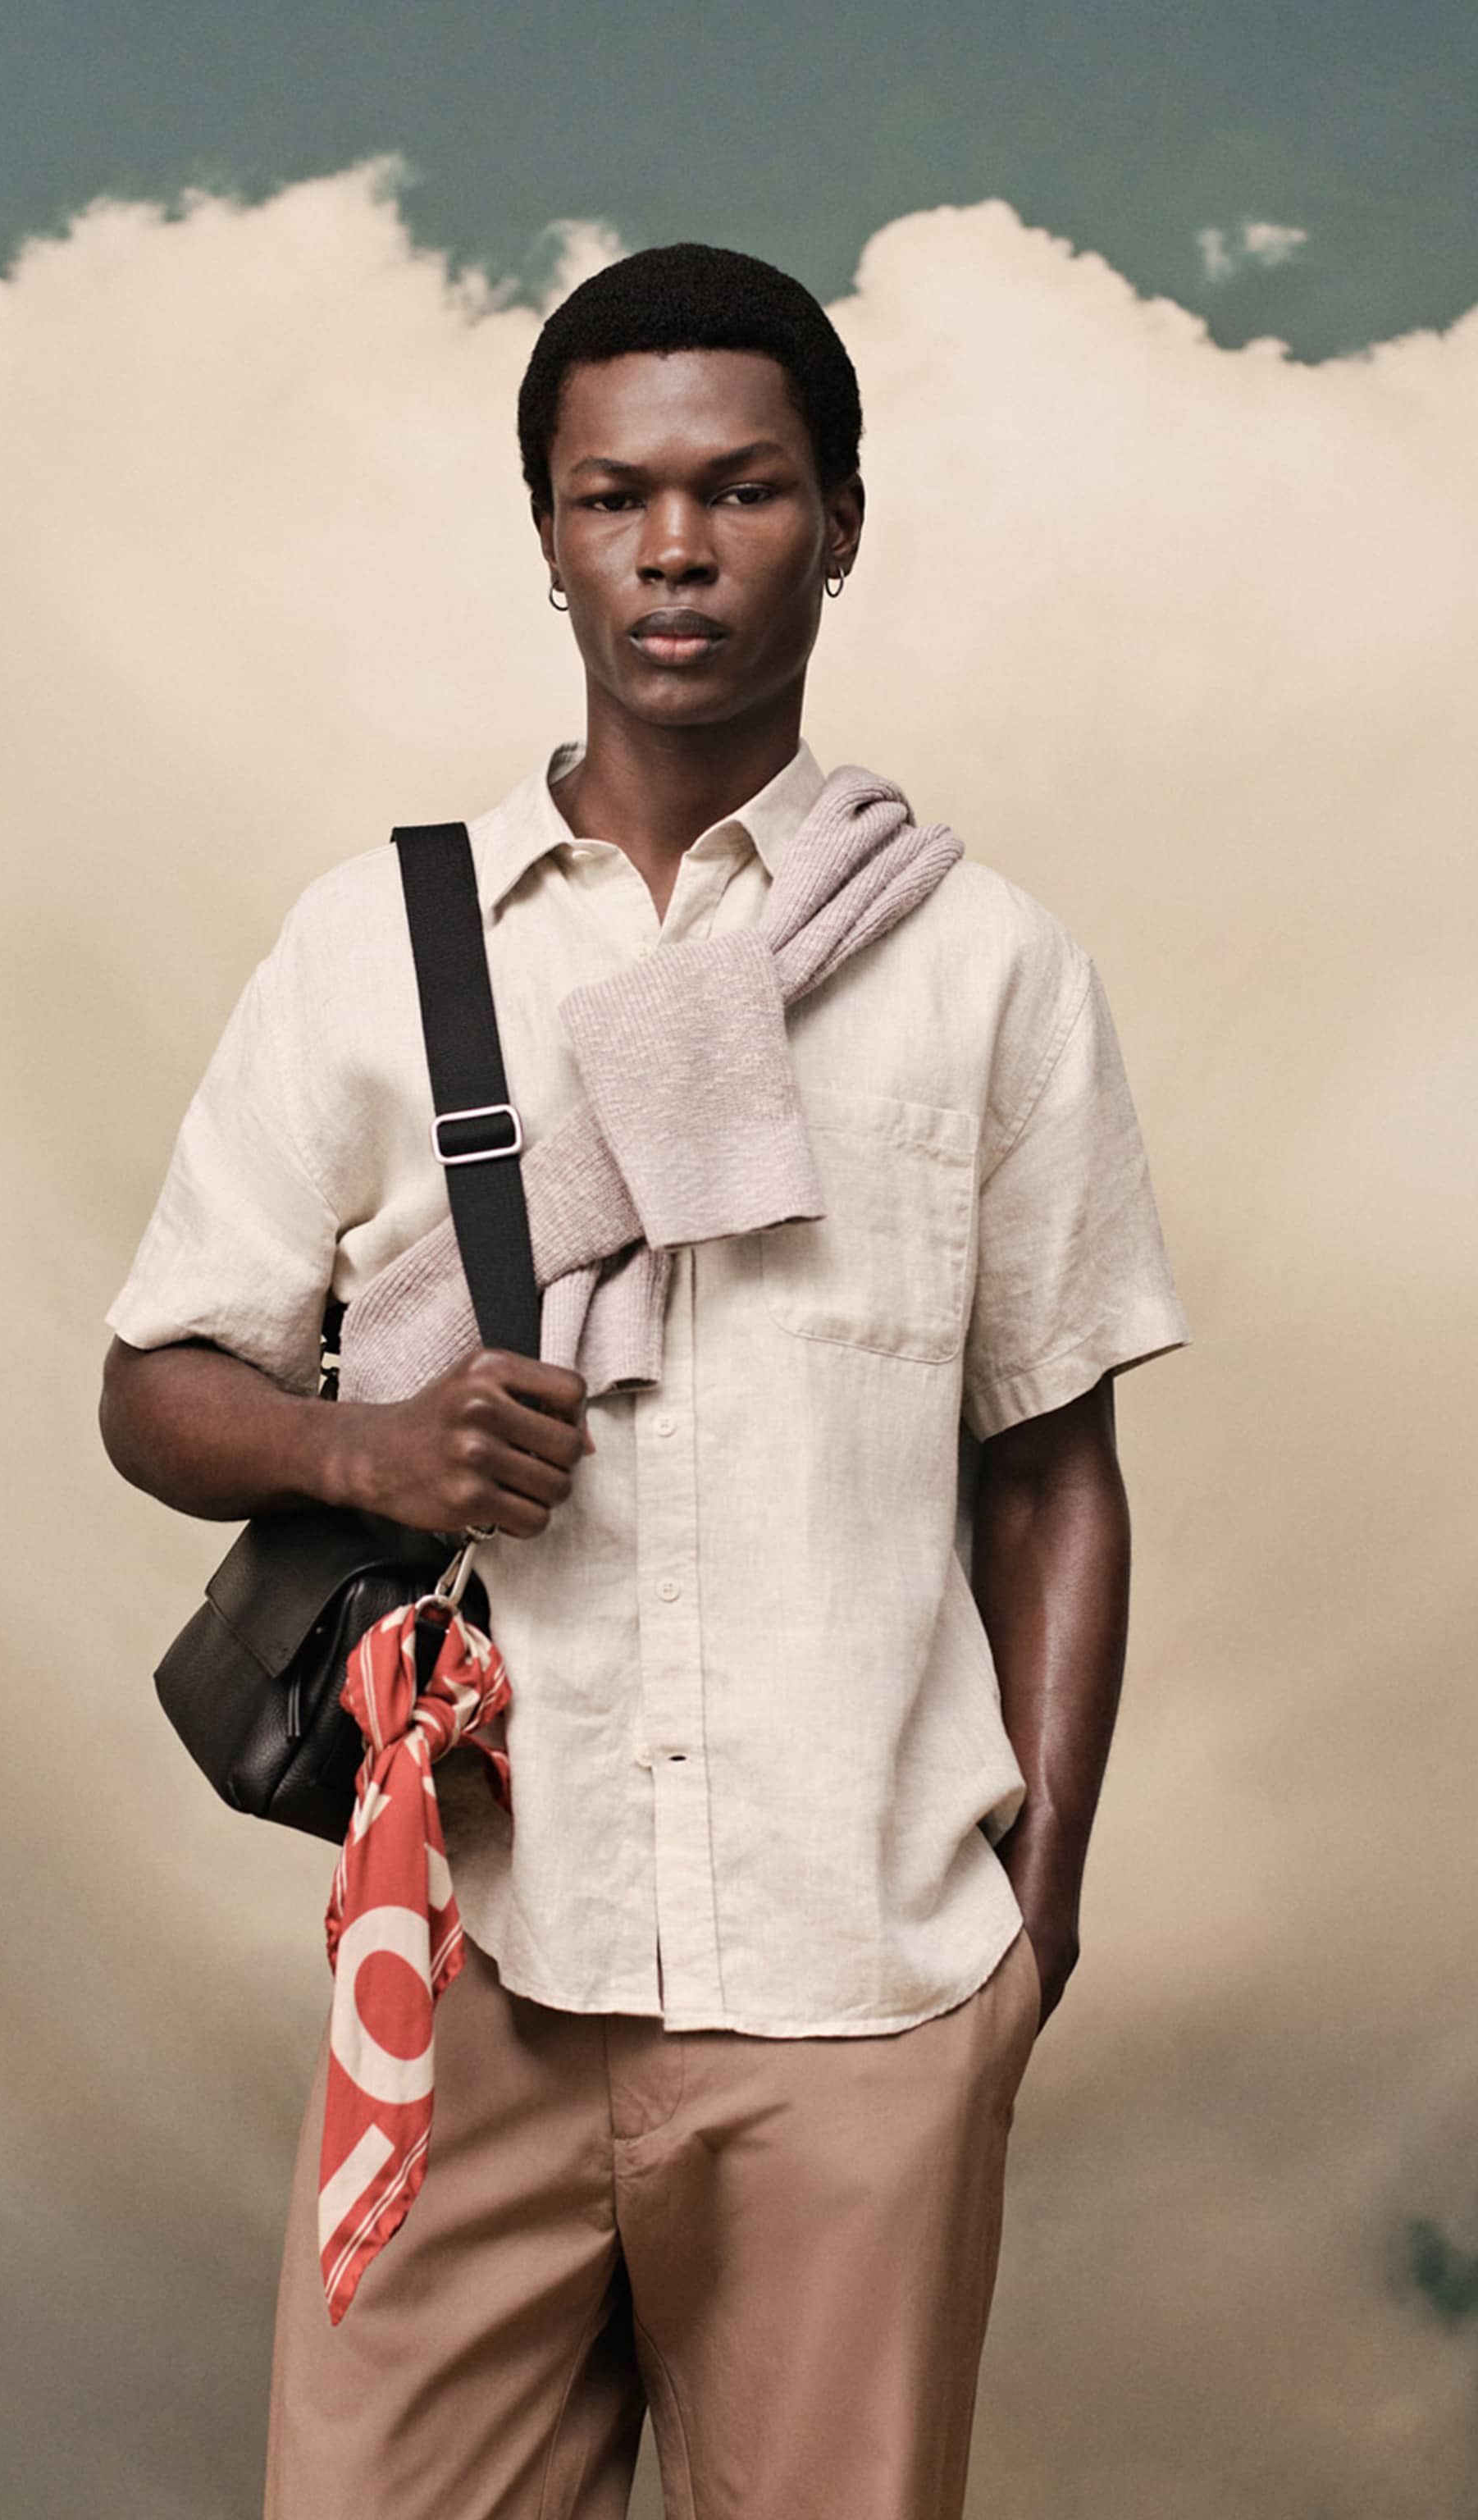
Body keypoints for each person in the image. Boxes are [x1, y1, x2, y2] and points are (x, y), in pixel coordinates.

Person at [98, 241, 1189, 2520]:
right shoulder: (379, 942)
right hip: (470, 1953)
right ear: (549, 535)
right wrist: (368, 1442)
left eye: (742, 490)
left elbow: (1052, 1468)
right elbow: (154, 1386)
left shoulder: (988, 971)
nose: (675, 548)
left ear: (841, 523)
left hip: (865, 1976)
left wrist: (1040, 1921)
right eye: (616, 497)